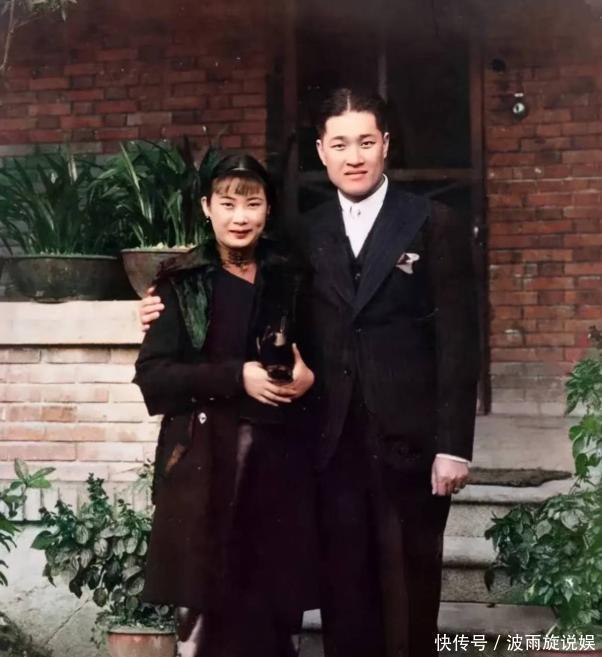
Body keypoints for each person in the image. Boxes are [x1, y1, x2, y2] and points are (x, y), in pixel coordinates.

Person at [140, 88, 479, 657]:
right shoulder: (302, 232)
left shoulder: (433, 221)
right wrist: (158, 301)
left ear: (385, 145)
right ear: (322, 151)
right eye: (340, 144)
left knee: (409, 600)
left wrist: (453, 448)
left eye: (365, 142)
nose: (354, 157)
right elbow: (235, 276)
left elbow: (460, 343)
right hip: (328, 446)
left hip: (411, 446)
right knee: (345, 599)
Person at [133, 153, 318, 657]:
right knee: (205, 616)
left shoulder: (290, 277)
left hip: (277, 467)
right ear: (206, 207)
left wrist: (308, 377)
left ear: (268, 209)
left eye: (252, 204)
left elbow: (319, 354)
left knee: (275, 613)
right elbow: (153, 376)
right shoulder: (181, 281)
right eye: (228, 204)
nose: (240, 217)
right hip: (205, 466)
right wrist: (237, 377)